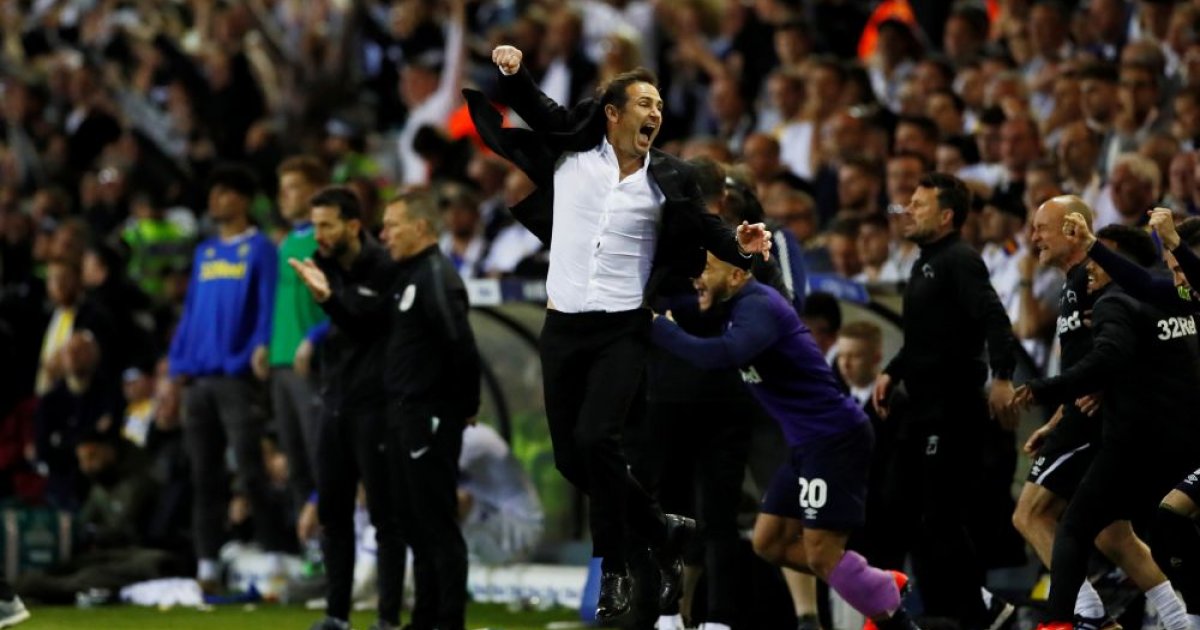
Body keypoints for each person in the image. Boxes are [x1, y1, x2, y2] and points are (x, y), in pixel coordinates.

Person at [464, 45, 772, 620]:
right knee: (571, 460)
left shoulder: (670, 176)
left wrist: (740, 245)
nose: (655, 112)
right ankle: (660, 530)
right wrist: (514, 73)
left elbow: (706, 226)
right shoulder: (572, 156)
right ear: (612, 111)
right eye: (644, 102)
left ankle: (617, 568)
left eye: (660, 104)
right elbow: (542, 109)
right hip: (562, 326)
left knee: (597, 443)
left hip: (623, 327)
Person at [653, 252, 920, 630]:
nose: (697, 278)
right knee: (769, 543)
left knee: (822, 554)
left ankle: (893, 613)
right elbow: (690, 304)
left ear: (734, 274)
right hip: (806, 445)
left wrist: (661, 330)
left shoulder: (756, 308)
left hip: (833, 439)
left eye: (706, 268)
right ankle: (876, 582)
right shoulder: (737, 303)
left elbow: (723, 355)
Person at [1016, 221, 1198, 630]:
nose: (1036, 237)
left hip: (1127, 436)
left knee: (1049, 519)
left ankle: (1076, 618)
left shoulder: (1118, 300)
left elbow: (1106, 359)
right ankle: (1180, 621)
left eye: (1047, 227)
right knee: (1135, 531)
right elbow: (1146, 297)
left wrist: (1045, 390)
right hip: (1167, 437)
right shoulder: (1175, 297)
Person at [871, 173, 1019, 630]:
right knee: (904, 513)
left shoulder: (959, 260)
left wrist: (1003, 378)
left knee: (940, 517)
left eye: (919, 204)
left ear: (947, 215)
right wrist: (893, 369)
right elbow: (928, 337)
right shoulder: (924, 263)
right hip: (920, 407)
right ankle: (938, 616)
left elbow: (995, 319)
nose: (909, 211)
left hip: (952, 410)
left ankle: (981, 608)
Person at [167, 165, 288, 590]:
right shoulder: (205, 252)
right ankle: (207, 563)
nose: (215, 200)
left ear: (241, 199)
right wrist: (177, 360)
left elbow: (267, 304)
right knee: (204, 473)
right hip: (199, 378)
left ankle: (276, 553)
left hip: (236, 377)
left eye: (224, 192)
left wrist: (258, 348)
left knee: (252, 469)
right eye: (214, 192)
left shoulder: (260, 249)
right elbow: (191, 311)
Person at [288, 187, 404, 630]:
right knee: (334, 516)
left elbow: (364, 319)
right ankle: (336, 615)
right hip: (335, 404)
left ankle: (388, 618)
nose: (317, 234)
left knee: (384, 517)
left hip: (376, 407)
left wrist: (327, 301)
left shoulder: (384, 265)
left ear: (353, 226)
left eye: (326, 225)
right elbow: (342, 325)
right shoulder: (326, 265)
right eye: (315, 224)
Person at [381, 191, 480, 630]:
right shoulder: (408, 276)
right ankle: (424, 617)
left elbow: (461, 344)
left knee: (437, 523)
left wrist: (462, 407)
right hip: (405, 415)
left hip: (430, 416)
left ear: (421, 228)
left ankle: (448, 619)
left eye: (393, 225)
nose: (384, 235)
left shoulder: (438, 275)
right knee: (415, 524)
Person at [265, 156, 330, 522]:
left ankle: (335, 540)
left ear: (315, 190)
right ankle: (311, 548)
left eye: (292, 188)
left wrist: (316, 337)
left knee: (319, 450)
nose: (282, 197)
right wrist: (265, 343)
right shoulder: (287, 242)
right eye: (281, 189)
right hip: (281, 360)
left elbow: (344, 296)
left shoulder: (327, 238)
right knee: (294, 457)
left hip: (312, 361)